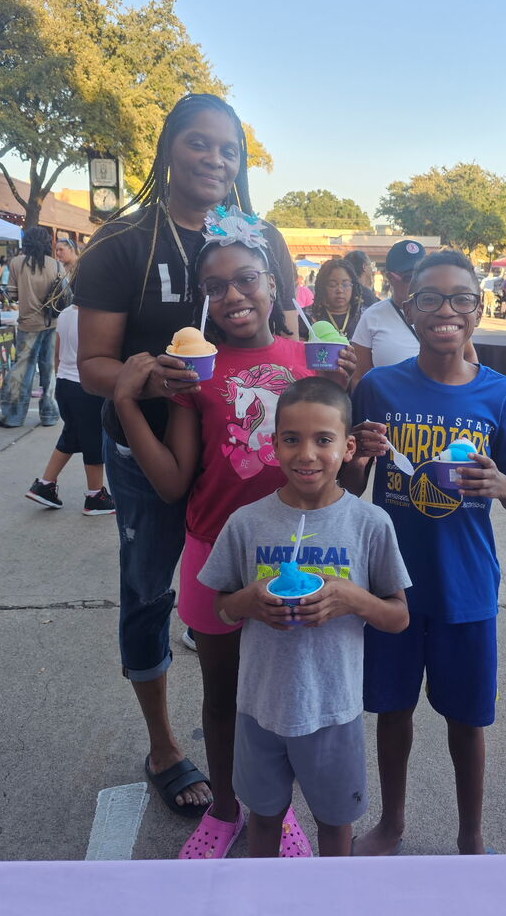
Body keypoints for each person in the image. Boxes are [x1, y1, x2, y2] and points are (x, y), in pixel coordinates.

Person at [73, 94, 299, 824]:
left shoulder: (259, 237)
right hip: (150, 449)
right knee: (148, 590)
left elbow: (286, 334)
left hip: (244, 449)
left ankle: (264, 740)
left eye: (229, 149)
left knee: (269, 591)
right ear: (169, 147)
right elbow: (92, 364)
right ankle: (165, 746)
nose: (214, 159)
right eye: (199, 143)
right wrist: (147, 381)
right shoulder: (123, 242)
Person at [112, 209, 355, 857]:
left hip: (296, 555)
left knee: (285, 700)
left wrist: (353, 408)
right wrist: (127, 403)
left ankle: (274, 812)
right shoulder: (195, 373)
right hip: (215, 555)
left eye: (246, 278)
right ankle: (224, 809)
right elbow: (173, 483)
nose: (232, 296)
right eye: (215, 287)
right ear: (203, 299)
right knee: (222, 697)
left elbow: (338, 473)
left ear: (273, 283)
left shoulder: (312, 363)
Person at [346, 250, 506, 856]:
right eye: (430, 298)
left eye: (461, 298)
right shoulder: (378, 388)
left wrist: (503, 485)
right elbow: (351, 488)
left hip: (466, 585)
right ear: (409, 309)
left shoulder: (501, 394)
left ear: (478, 310)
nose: (446, 311)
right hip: (392, 586)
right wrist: (358, 455)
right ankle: (392, 823)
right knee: (393, 711)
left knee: (468, 718)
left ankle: (471, 837)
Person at [198, 377, 410, 858]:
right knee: (263, 819)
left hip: (334, 709)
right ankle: (264, 892)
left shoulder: (369, 524)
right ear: (274, 445)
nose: (307, 454)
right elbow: (221, 609)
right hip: (259, 708)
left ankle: (331, 895)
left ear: (348, 447)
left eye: (323, 440)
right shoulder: (246, 523)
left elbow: (397, 617)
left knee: (335, 826)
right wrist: (248, 601)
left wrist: (353, 598)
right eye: (292, 439)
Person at [25, 304, 116, 515]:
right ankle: (95, 496)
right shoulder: (96, 314)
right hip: (85, 386)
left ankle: (45, 484)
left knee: (72, 435)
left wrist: (60, 376)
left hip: (65, 382)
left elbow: (57, 353)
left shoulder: (66, 313)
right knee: (93, 439)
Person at [351, 239, 477, 386]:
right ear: (390, 278)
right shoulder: (372, 316)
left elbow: (469, 358)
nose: (417, 282)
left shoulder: (445, 314)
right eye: (409, 277)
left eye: (422, 275)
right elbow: (359, 376)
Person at [0, 227, 61, 429]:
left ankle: (13, 416)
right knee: (50, 368)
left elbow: (12, 295)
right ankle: (50, 414)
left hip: (28, 323)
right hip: (52, 323)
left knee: (23, 369)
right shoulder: (56, 265)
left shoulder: (17, 263)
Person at [303, 258, 367, 341]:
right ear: (322, 287)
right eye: (332, 285)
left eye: (345, 284)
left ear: (353, 286)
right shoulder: (307, 316)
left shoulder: (365, 316)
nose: (340, 290)